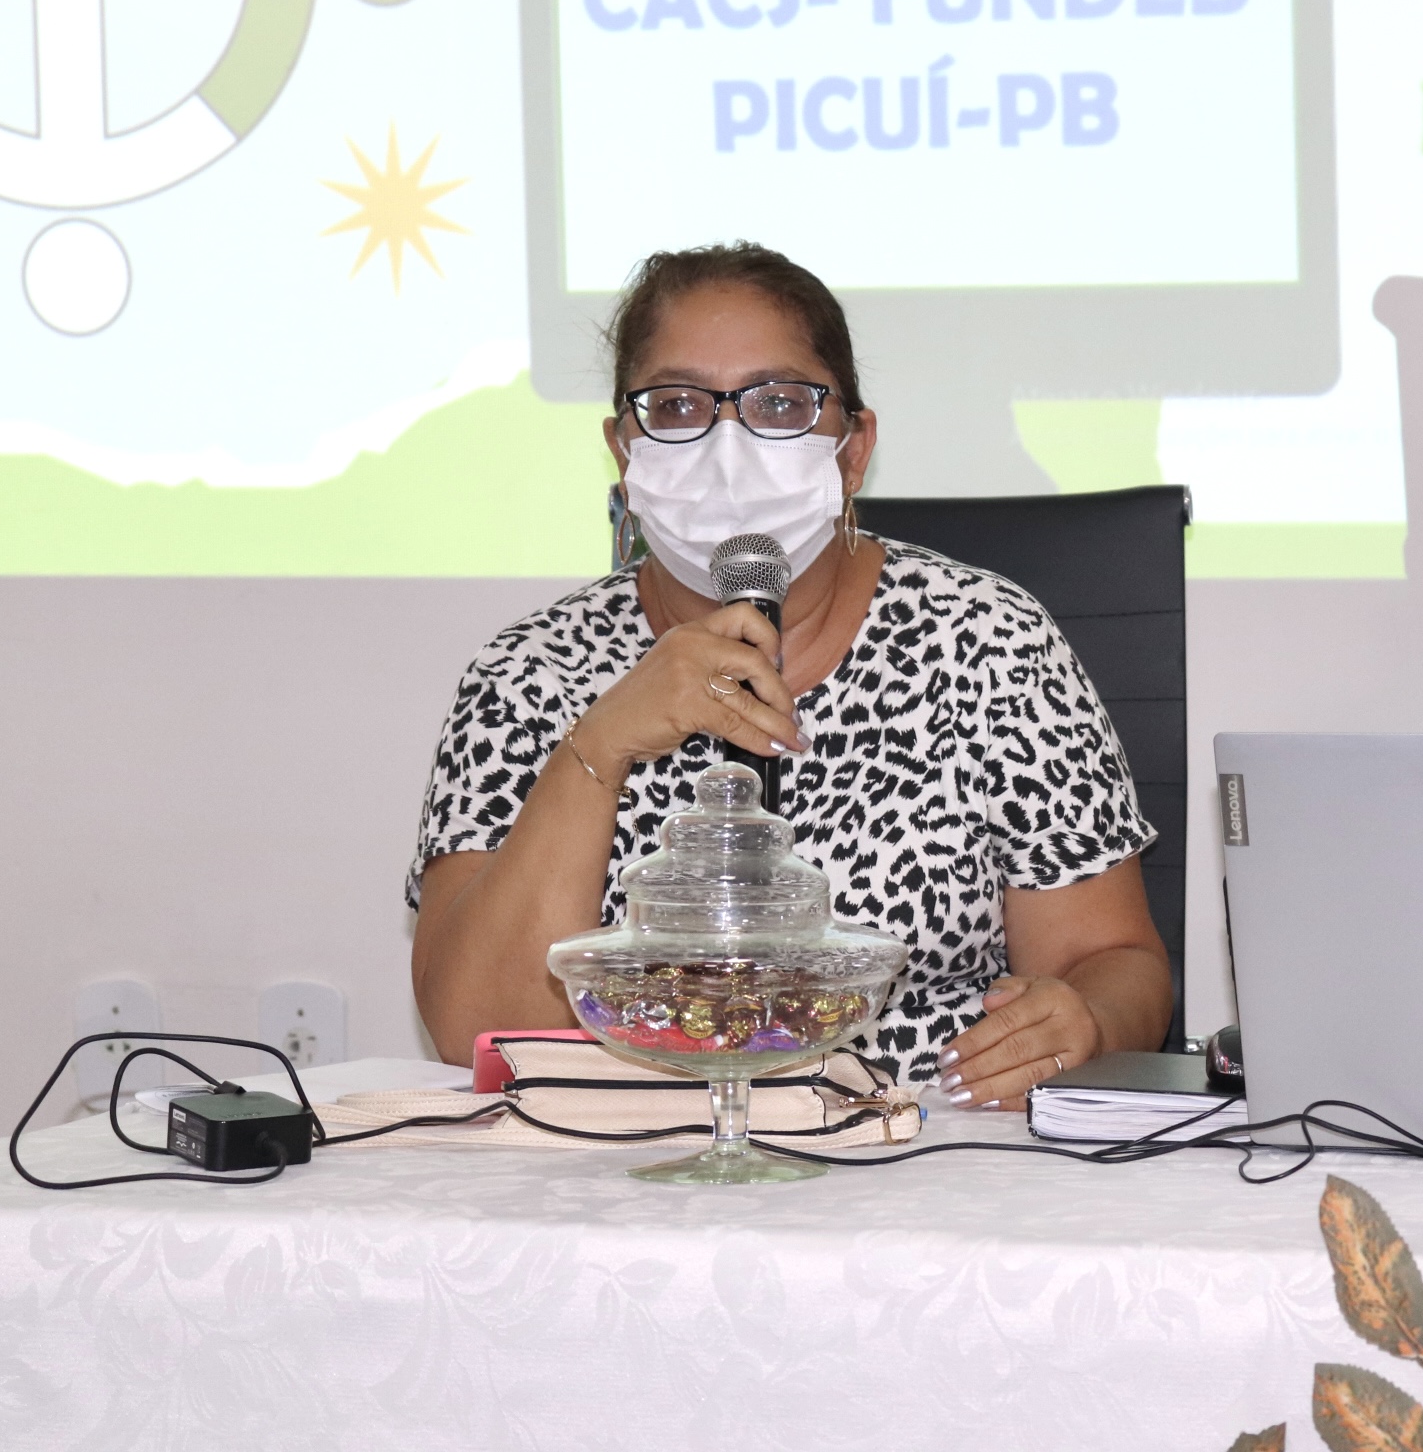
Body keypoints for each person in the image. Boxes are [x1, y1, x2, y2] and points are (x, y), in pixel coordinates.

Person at [409, 243, 1171, 1107]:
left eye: (778, 403)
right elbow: (478, 1030)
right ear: (624, 450)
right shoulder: (529, 676)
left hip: (925, 1144)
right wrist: (600, 745)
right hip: (624, 1151)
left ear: (853, 450)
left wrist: (1086, 1022)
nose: (727, 445)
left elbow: (1112, 964)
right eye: (678, 404)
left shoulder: (989, 642)